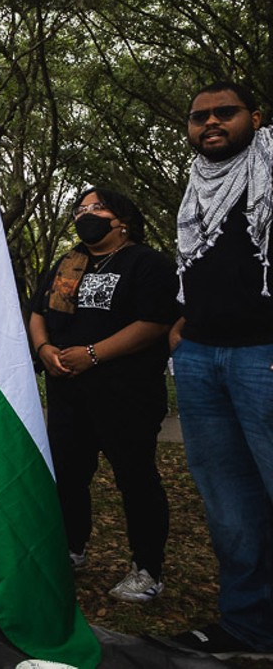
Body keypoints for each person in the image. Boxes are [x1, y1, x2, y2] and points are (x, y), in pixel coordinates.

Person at [27, 187, 176, 603]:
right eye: (80, 209)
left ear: (122, 218)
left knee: (136, 479)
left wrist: (93, 355)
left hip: (126, 395)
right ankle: (70, 550)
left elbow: (155, 322)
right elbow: (39, 313)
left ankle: (147, 570)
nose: (85, 214)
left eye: (97, 207)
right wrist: (44, 349)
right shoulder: (67, 263)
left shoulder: (146, 264)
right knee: (68, 477)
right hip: (68, 393)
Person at [168, 82, 273, 658]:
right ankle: (250, 628)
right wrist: (185, 322)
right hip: (203, 358)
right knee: (229, 504)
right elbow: (202, 260)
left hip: (264, 355)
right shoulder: (197, 185)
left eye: (224, 113)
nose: (210, 122)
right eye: (199, 116)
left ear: (253, 118)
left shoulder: (270, 163)